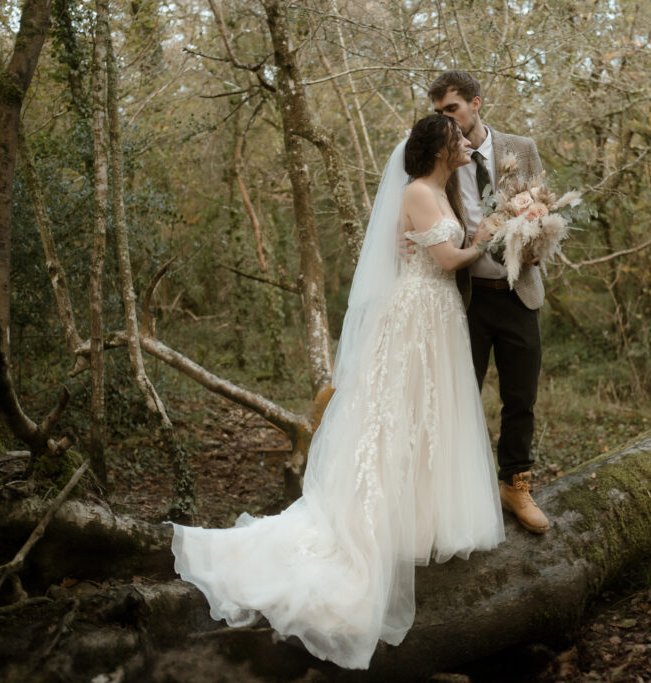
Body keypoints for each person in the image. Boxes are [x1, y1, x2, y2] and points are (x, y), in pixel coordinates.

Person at [168, 114, 504, 670]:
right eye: (458, 139)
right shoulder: (420, 192)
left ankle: (420, 521)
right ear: (439, 149)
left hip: (438, 316)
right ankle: (373, 527)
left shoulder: (440, 192)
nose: (467, 143)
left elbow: (432, 252)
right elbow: (446, 260)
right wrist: (484, 241)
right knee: (398, 419)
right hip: (418, 317)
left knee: (429, 419)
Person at [428, 71, 550, 534]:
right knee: (461, 399)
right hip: (467, 300)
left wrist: (539, 241)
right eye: (439, 113)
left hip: (520, 293)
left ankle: (515, 485)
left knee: (521, 399)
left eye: (452, 109)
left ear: (476, 104)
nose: (447, 119)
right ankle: (459, 494)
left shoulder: (522, 147)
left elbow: (546, 209)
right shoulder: (439, 159)